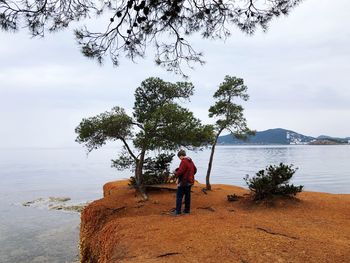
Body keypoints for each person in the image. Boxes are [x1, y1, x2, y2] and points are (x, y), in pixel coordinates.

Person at [173, 149, 197, 215]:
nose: (179, 159)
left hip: (184, 182)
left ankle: (178, 211)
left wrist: (176, 174)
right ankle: (187, 211)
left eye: (179, 157)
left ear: (181, 156)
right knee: (187, 196)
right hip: (190, 181)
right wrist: (191, 175)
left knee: (179, 196)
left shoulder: (183, 161)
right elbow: (195, 169)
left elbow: (180, 171)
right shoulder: (190, 161)